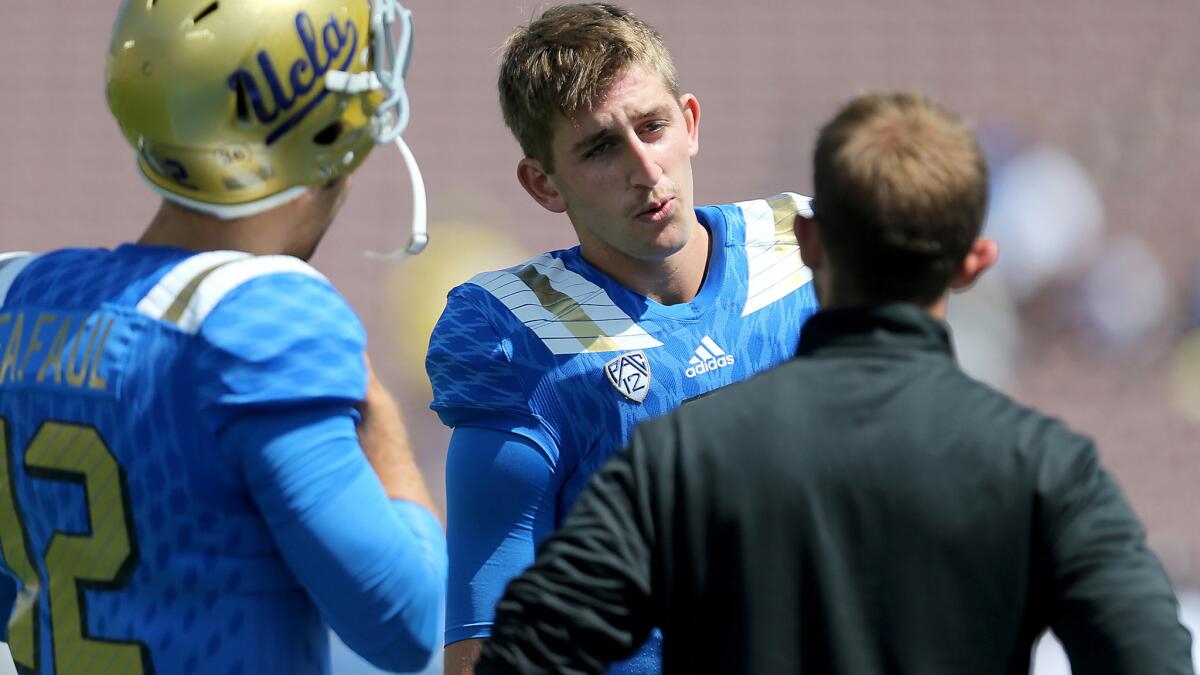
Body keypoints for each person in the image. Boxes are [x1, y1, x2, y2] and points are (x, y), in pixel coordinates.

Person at [474, 91, 1196, 674]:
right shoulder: (1048, 468)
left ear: (810, 242)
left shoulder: (679, 458)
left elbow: (519, 661)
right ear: (974, 263)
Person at [0, 0, 445, 673]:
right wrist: (378, 413)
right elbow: (406, 624)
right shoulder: (265, 319)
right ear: (323, 124)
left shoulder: (20, 293)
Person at [423, 4, 819, 673]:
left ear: (689, 122)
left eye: (652, 127)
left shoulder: (813, 255)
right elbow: (484, 645)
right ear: (543, 183)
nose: (645, 168)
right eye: (600, 147)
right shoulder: (520, 338)